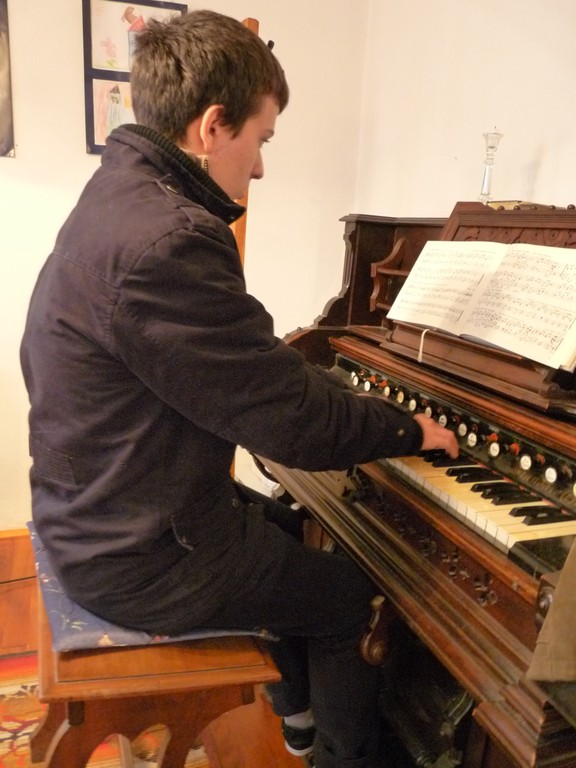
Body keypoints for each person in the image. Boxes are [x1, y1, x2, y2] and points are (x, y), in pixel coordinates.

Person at [20, 10, 458, 768]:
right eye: (261, 139)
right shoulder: (171, 239)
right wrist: (408, 428)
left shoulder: (121, 195)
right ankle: (341, 755)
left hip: (97, 511)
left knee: (290, 530)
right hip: (132, 554)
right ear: (212, 126)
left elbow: (248, 380)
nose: (259, 168)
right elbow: (292, 421)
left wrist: (325, 394)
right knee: (346, 596)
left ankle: (298, 721)